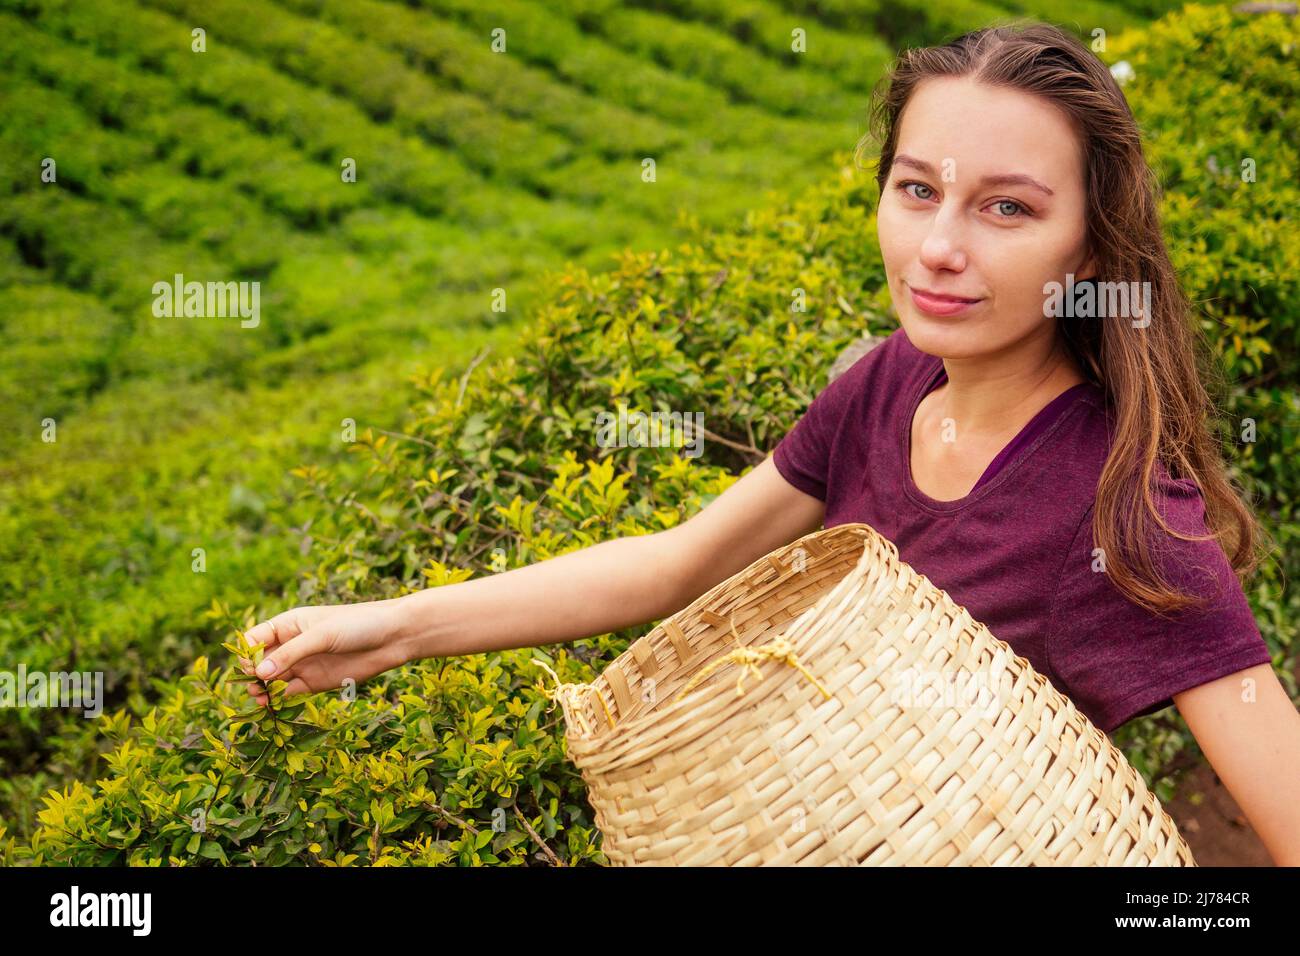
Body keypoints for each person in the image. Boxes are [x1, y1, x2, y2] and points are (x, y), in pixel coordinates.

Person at [241, 22, 1300, 865]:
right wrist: (389, 633)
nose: (938, 246)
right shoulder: (889, 383)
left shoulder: (1117, 500)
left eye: (1006, 209)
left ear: (1087, 246)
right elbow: (675, 562)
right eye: (917, 188)